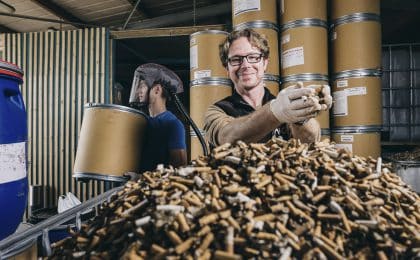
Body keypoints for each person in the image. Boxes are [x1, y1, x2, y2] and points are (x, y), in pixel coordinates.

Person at [204, 28, 333, 147]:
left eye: (253, 57)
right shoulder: (217, 111)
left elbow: (309, 142)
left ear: (264, 63)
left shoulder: (284, 104)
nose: (245, 65)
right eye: (236, 59)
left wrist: (302, 116)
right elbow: (227, 137)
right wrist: (274, 112)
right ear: (227, 68)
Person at [129, 63, 188, 172]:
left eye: (142, 86)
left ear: (156, 90)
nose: (138, 91)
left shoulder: (173, 125)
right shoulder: (144, 122)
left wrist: (142, 178)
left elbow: (180, 170)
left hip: (155, 188)